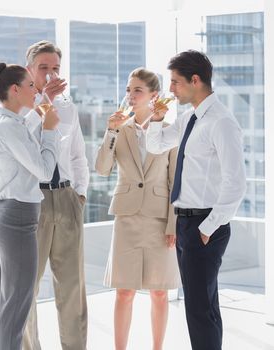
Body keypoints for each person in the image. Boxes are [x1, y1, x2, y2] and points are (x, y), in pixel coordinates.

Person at [146, 50, 246, 350]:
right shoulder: (190, 118)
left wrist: (208, 227)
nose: (171, 89)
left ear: (195, 80)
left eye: (176, 82)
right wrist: (157, 119)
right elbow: (156, 145)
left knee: (199, 311)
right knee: (203, 305)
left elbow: (236, 182)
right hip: (187, 223)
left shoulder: (221, 122)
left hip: (204, 225)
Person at [95, 67, 180, 350]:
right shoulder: (120, 128)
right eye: (128, 90)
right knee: (124, 291)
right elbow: (102, 168)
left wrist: (173, 225)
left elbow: (174, 182)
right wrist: (110, 132)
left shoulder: (169, 132)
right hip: (127, 218)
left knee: (159, 293)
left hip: (158, 220)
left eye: (137, 90)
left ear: (154, 96)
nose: (130, 96)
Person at [0, 63, 59, 350]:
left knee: (1, 303)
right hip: (17, 221)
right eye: (30, 85)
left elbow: (24, 137)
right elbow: (43, 170)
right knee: (15, 308)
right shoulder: (8, 128)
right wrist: (51, 131)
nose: (35, 90)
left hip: (6, 218)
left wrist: (42, 117)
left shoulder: (7, 124)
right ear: (14, 90)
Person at [22, 41, 89, 350]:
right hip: (32, 202)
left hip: (66, 199)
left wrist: (81, 195)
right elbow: (24, 142)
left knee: (73, 288)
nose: (51, 74)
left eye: (56, 68)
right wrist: (44, 102)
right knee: (27, 289)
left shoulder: (68, 107)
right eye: (44, 68)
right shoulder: (20, 105)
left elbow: (77, 156)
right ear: (29, 71)